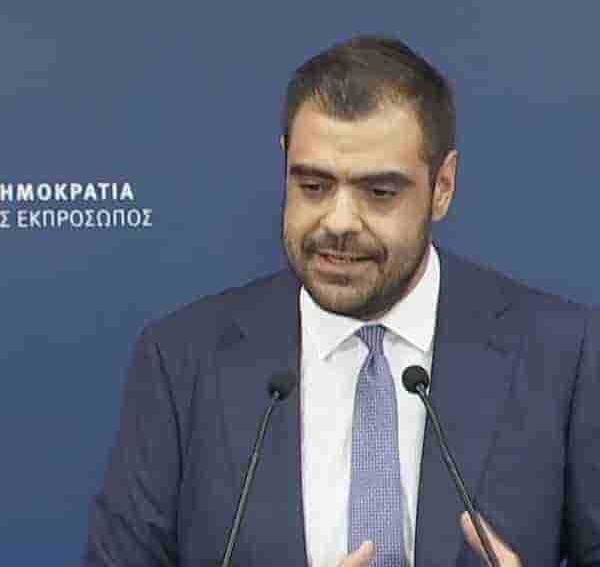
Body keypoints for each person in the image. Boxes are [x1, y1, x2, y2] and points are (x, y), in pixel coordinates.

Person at [84, 35, 600, 567]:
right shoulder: (181, 361)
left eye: (379, 193)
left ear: (442, 186)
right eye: (313, 186)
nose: (338, 222)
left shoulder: (565, 355)